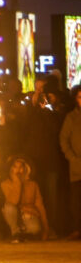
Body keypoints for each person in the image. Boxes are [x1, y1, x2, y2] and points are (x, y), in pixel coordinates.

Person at [0, 156, 50, 242]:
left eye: (20, 167)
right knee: (8, 207)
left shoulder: (33, 185)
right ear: (11, 169)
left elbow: (40, 206)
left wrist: (45, 229)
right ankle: (15, 233)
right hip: (14, 214)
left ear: (26, 168)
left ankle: (25, 234)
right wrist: (17, 182)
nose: (18, 170)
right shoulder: (5, 184)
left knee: (35, 230)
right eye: (15, 167)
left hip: (28, 214)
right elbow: (13, 201)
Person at [58, 86, 81, 240]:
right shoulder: (71, 117)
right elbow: (63, 139)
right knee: (77, 201)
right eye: (80, 97)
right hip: (77, 167)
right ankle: (77, 229)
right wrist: (72, 157)